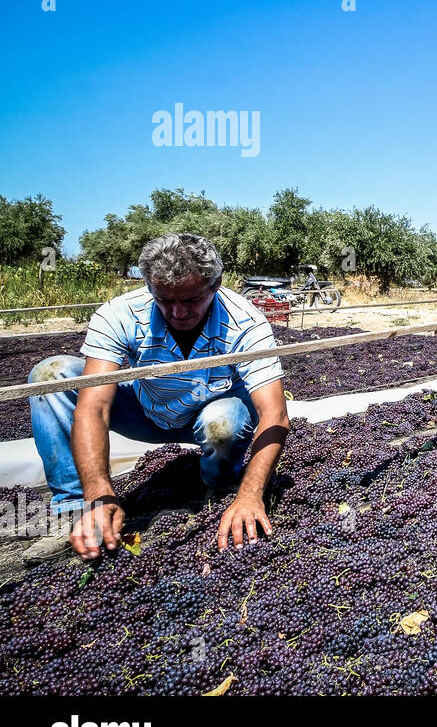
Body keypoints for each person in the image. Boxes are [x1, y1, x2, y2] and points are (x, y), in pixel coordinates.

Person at [23, 233, 290, 565]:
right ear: (149, 286)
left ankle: (220, 485)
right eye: (164, 299)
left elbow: (275, 414)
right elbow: (94, 407)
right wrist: (98, 495)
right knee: (51, 375)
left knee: (224, 421)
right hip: (145, 412)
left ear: (215, 285)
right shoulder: (120, 313)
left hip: (211, 414)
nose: (177, 312)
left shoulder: (245, 321)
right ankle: (77, 512)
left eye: (192, 300)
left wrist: (251, 494)